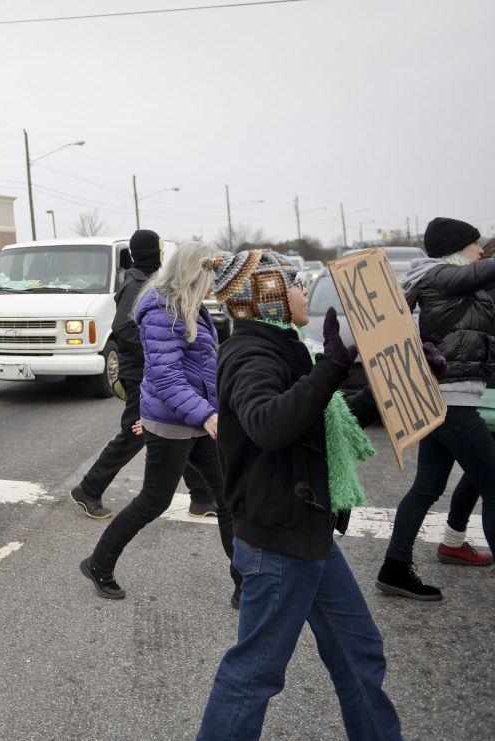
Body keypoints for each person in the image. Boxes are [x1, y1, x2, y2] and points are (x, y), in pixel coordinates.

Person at [197, 249, 401, 740]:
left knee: (359, 652)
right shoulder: (249, 355)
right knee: (255, 675)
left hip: (307, 529)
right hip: (279, 541)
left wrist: (380, 384)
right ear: (264, 296)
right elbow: (271, 424)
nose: (304, 290)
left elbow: (318, 420)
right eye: (293, 283)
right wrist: (330, 367)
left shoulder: (286, 347)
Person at [80, 240, 238, 604]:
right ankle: (99, 563)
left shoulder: (188, 306)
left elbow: (198, 367)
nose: (214, 282)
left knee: (228, 499)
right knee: (154, 501)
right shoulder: (162, 312)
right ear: (194, 273)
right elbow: (166, 378)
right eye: (210, 274)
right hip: (174, 423)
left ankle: (244, 584)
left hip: (195, 418)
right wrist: (206, 413)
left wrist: (210, 410)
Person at [378, 217, 495, 600]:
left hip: (443, 399)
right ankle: (396, 567)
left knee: (426, 488)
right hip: (452, 403)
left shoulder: (454, 282)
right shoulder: (439, 276)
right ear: (457, 247)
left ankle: (394, 569)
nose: (480, 251)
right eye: (475, 245)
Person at [70, 230, 223, 520]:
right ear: (155, 252)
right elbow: (123, 328)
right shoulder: (138, 284)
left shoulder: (157, 282)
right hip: (143, 374)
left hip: (158, 372)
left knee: (182, 432)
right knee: (135, 434)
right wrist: (158, 349)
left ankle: (202, 498)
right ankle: (89, 488)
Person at [431, 236, 495, 568]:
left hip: (474, 393)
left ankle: (452, 540)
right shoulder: (476, 287)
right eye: (476, 248)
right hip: (475, 393)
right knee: (488, 477)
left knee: (477, 472)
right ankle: (451, 541)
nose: (479, 252)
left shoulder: (471, 285)